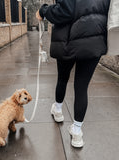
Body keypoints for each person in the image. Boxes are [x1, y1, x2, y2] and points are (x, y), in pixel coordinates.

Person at [36, 0, 110, 148]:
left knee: (62, 79)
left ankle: (58, 111)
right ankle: (76, 132)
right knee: (81, 87)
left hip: (68, 41)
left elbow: (65, 11)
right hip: (94, 40)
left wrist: (44, 11)